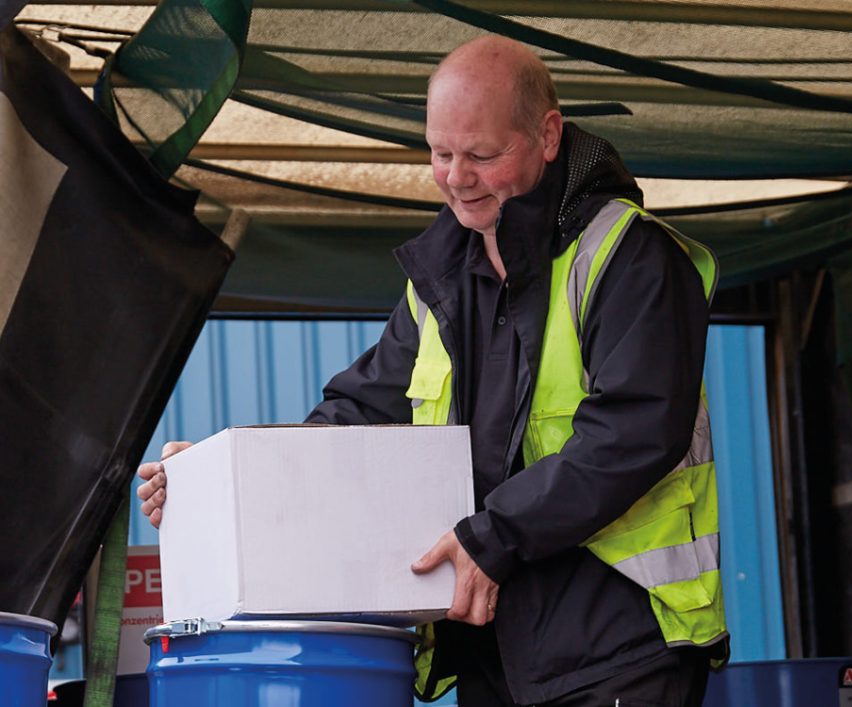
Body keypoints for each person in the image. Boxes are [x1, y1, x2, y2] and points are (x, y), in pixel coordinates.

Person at [138, 35, 727, 706]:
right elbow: (358, 415)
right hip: (489, 651)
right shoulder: (439, 277)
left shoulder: (629, 255)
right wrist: (221, 479)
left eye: (482, 155)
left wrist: (494, 537)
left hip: (617, 648)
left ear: (548, 136)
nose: (456, 177)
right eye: (440, 154)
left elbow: (635, 429)